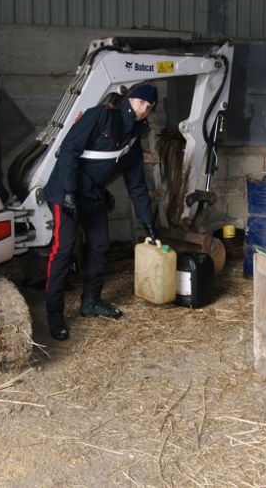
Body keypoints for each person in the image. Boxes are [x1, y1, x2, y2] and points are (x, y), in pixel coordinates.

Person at [42, 85, 160, 341]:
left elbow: (136, 184)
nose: (143, 110)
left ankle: (91, 302)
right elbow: (69, 151)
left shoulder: (133, 141)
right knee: (63, 249)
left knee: (100, 245)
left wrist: (148, 222)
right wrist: (69, 192)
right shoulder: (100, 116)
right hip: (66, 190)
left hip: (92, 193)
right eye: (141, 103)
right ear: (130, 99)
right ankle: (54, 314)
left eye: (149, 108)